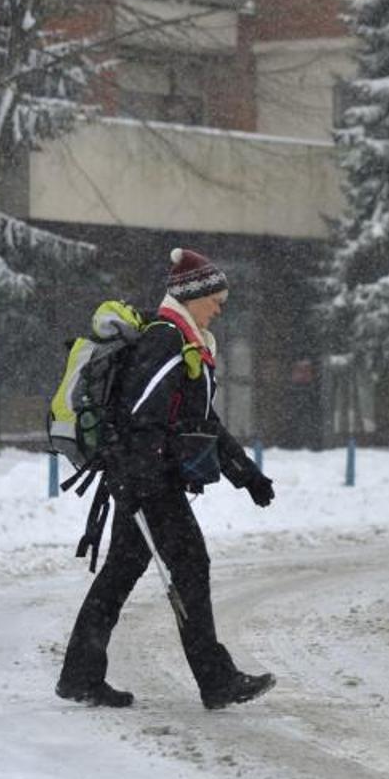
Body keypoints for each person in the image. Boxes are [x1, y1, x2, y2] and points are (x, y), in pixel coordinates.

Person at [56, 248, 277, 710]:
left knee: (120, 573)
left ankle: (80, 674)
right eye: (215, 299)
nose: (220, 308)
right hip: (150, 483)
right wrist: (139, 483)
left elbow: (202, 422)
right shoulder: (166, 339)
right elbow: (140, 416)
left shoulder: (189, 342)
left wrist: (246, 475)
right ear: (192, 295)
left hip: (145, 479)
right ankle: (216, 680)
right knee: (191, 566)